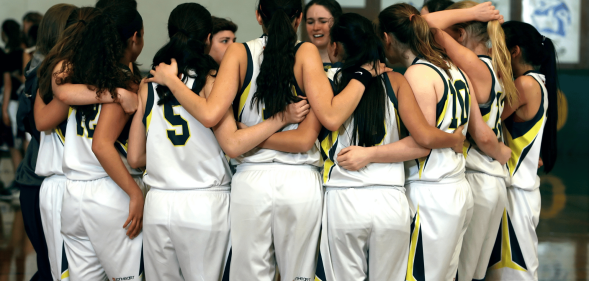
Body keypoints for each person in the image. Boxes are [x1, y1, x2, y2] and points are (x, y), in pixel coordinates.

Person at [318, 12, 466, 281]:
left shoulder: (327, 80)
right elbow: (423, 141)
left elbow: (323, 124)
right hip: (392, 201)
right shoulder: (395, 80)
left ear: (335, 47)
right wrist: (454, 139)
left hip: (344, 197)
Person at [377, 3, 505, 280]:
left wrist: (365, 155)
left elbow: (421, 142)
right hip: (456, 188)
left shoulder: (418, 74)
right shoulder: (454, 67)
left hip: (431, 192)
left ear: (386, 38)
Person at [37, 5, 145, 279]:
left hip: (74, 195)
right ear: (135, 37)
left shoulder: (80, 79)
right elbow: (101, 145)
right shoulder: (124, 81)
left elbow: (59, 80)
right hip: (112, 190)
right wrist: (134, 192)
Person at [486, 21, 559, 281]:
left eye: (496, 47)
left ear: (514, 51)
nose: (491, 52)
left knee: (515, 273)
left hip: (517, 192)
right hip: (519, 190)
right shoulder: (537, 81)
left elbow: (489, 121)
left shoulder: (525, 84)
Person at [1, 19, 25, 185]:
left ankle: (19, 180)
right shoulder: (19, 51)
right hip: (17, 101)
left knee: (15, 143)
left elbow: (11, 82)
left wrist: (4, 109)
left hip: (14, 102)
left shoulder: (15, 53)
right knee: (16, 141)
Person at [303, 0, 342, 71]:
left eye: (323, 21)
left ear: (337, 22)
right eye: (310, 22)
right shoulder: (297, 59)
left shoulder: (350, 63)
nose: (315, 27)